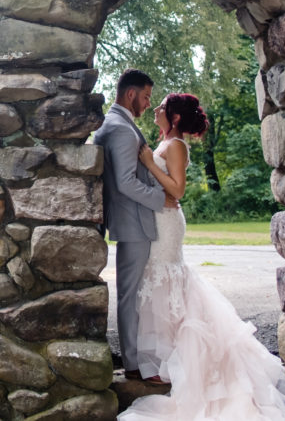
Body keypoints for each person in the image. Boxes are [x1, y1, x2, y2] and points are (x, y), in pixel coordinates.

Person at [118, 93, 285, 420]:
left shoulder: (175, 146)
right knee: (157, 280)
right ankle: (168, 357)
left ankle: (181, 359)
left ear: (175, 118)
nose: (158, 110)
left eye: (162, 107)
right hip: (155, 220)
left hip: (167, 224)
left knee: (166, 278)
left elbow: (177, 191)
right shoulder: (164, 143)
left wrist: (148, 163)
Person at [94, 69, 169, 381]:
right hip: (133, 221)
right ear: (130, 94)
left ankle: (138, 360)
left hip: (129, 220)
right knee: (131, 294)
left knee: (134, 293)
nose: (148, 103)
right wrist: (159, 197)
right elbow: (125, 183)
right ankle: (135, 364)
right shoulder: (122, 129)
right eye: (146, 96)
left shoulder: (112, 123)